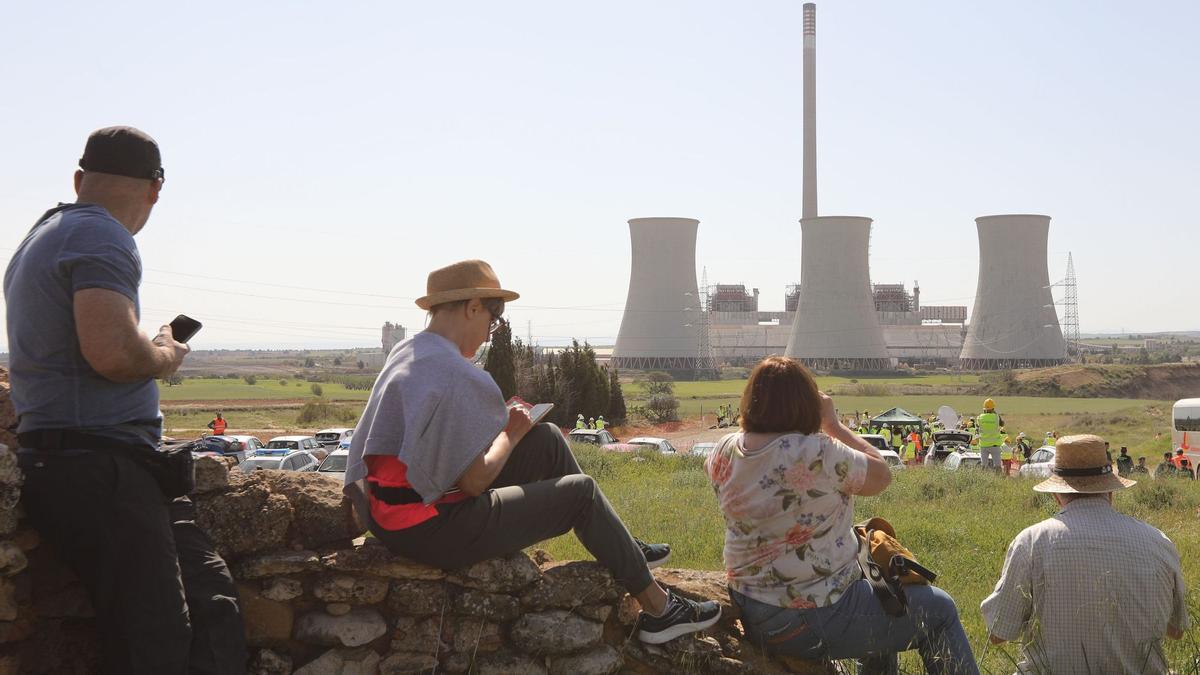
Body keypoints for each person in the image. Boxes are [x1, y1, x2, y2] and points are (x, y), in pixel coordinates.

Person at [343, 260, 720, 644]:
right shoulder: (459, 374)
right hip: (431, 528)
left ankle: (622, 546)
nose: (492, 331)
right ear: (473, 306)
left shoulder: (408, 351)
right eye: (495, 316)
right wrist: (509, 432)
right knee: (581, 493)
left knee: (547, 439)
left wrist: (517, 433)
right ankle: (660, 610)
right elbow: (474, 483)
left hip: (390, 514)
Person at [4, 127, 246, 674]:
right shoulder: (101, 236)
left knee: (212, 607)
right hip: (98, 466)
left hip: (98, 464)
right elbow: (112, 353)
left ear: (79, 178)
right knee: (154, 638)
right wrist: (166, 350)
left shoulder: (47, 233)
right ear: (156, 189)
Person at [707, 357, 977, 673]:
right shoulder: (815, 451)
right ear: (806, 402)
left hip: (753, 608)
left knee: (880, 594)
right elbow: (881, 474)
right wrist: (833, 425)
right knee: (940, 610)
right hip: (811, 616)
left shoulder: (724, 448)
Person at [981, 435, 1188, 673]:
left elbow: (999, 633)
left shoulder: (1031, 542)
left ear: (1056, 495)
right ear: (1111, 491)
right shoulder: (1159, 542)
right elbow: (1176, 631)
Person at [976, 399, 1004, 473]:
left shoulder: (979, 417)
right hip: (995, 445)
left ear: (984, 408)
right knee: (997, 466)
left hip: (983, 445)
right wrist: (995, 413)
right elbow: (1002, 424)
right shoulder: (997, 417)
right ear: (993, 408)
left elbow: (978, 426)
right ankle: (998, 480)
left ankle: (983, 479)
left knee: (983, 466)